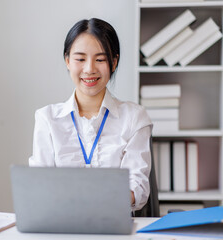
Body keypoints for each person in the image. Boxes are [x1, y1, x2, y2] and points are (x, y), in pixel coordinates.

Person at [29, 18, 152, 211]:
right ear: (67, 61)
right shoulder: (47, 118)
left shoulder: (134, 117)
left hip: (113, 224)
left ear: (114, 62)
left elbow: (138, 189)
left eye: (100, 59)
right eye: (80, 59)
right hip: (60, 224)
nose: (89, 69)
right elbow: (38, 186)